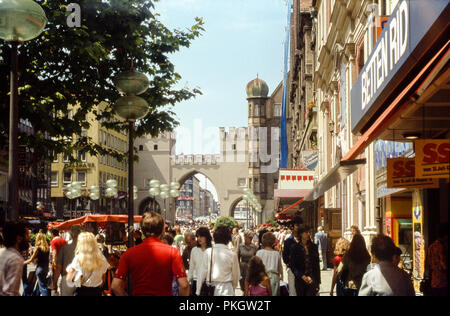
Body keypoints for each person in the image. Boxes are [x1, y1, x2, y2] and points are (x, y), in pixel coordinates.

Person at [111, 212, 189, 296]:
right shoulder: (173, 252)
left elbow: (115, 286)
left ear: (142, 230)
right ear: (162, 230)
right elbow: (184, 285)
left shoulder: (129, 254)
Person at [196, 225, 240, 296]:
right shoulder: (232, 255)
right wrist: (233, 287)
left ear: (214, 238)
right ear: (228, 239)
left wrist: (198, 291)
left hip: (211, 288)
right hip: (227, 289)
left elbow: (202, 272)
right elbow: (236, 275)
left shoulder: (208, 252)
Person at [65, 232, 110, 296]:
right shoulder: (101, 258)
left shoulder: (78, 258)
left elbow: (69, 279)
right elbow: (103, 278)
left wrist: (73, 283)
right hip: (96, 292)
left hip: (82, 291)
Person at [290, 224, 320, 296]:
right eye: (306, 232)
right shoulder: (295, 248)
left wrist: (317, 281)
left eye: (309, 232)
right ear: (301, 234)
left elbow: (316, 265)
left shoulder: (314, 247)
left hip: (312, 279)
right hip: (300, 279)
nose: (308, 234)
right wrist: (302, 276)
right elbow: (293, 266)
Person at [0, 221, 30, 296]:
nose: (28, 238)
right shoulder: (15, 259)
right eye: (26, 235)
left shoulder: (2, 252)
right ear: (19, 238)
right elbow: (10, 292)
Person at [52, 225, 83, 296]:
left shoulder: (65, 247)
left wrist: (54, 283)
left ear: (71, 234)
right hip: (81, 279)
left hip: (67, 278)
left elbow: (58, 267)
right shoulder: (84, 248)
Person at [256, 232, 282, 296]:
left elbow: (256, 267)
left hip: (262, 277)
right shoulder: (276, 254)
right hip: (274, 277)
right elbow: (279, 268)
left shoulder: (259, 253)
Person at [282, 215, 303, 296]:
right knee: (293, 291)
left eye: (300, 225)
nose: (299, 227)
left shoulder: (304, 240)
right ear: (293, 226)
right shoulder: (288, 241)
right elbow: (285, 256)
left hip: (304, 269)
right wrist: (289, 264)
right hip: (292, 269)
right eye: (297, 225)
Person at [188, 227, 212, 296]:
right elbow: (191, 268)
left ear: (207, 237)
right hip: (195, 281)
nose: (198, 238)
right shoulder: (194, 250)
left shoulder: (212, 250)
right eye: (197, 236)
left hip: (208, 283)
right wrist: (187, 281)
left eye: (201, 236)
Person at [425, 223, 448, 296]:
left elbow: (427, 265)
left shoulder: (431, 247)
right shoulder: (442, 247)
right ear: (445, 235)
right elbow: (444, 265)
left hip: (433, 282)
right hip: (442, 282)